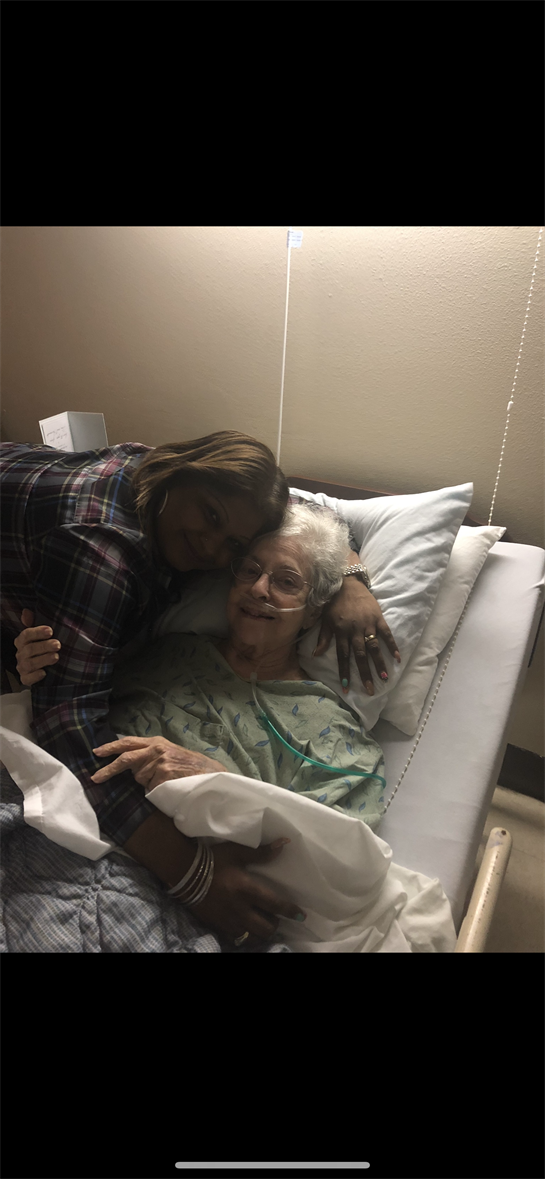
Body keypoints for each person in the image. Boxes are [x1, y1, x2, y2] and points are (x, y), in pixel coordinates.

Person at [14, 506, 388, 948]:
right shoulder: (165, 653)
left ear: (313, 612)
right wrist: (35, 666)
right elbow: (69, 716)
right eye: (249, 570)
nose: (259, 589)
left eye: (286, 581)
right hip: (67, 830)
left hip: (175, 897)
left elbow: (343, 856)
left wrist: (221, 782)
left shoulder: (328, 728)